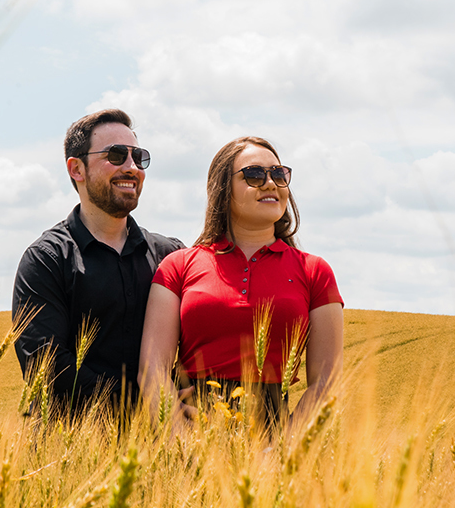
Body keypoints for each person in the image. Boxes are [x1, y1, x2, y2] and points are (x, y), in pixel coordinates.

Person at [139, 136, 343, 428]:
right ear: (223, 188)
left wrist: (284, 451)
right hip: (189, 438)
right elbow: (152, 371)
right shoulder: (178, 266)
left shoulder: (315, 272)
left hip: (277, 441)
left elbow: (327, 382)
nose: (271, 183)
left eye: (279, 174)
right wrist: (181, 439)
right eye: (255, 174)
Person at [12, 109, 183, 416]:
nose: (132, 167)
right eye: (116, 156)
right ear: (77, 168)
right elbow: (47, 368)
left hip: (168, 448)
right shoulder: (46, 260)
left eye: (138, 157)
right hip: (72, 453)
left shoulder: (171, 256)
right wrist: (146, 404)